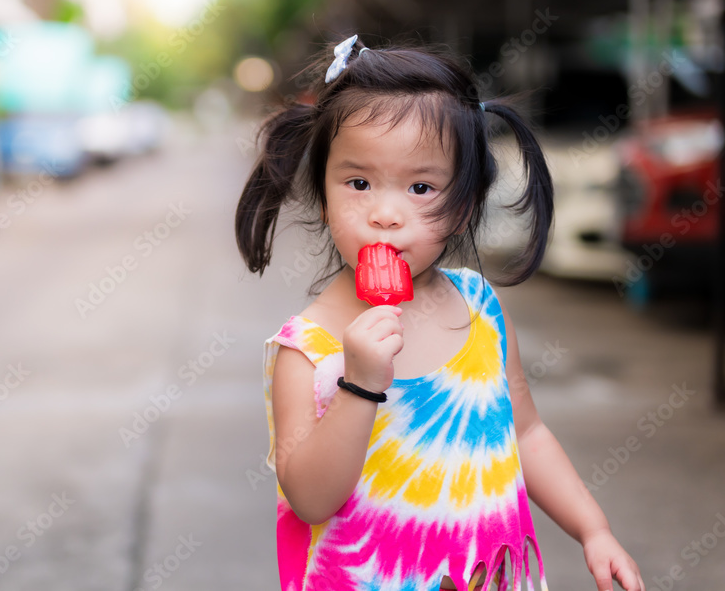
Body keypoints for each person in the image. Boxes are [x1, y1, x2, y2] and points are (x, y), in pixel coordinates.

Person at [234, 35, 644, 591]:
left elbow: (527, 432)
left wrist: (592, 529)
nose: (385, 214)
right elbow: (309, 499)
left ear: (465, 203)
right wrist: (358, 386)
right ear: (323, 190)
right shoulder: (308, 350)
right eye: (358, 183)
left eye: (421, 186)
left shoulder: (480, 307)